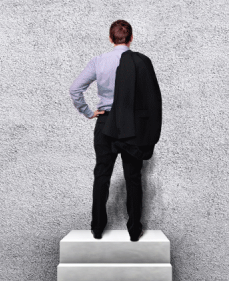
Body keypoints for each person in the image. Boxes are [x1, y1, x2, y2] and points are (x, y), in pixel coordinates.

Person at [69, 20, 162, 241]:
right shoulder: (140, 62)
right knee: (133, 177)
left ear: (111, 39)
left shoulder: (99, 61)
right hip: (131, 125)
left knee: (102, 174)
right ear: (130, 39)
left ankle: (97, 227)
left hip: (106, 123)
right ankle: (134, 230)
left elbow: (75, 89)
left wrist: (89, 112)